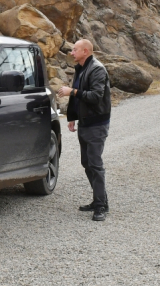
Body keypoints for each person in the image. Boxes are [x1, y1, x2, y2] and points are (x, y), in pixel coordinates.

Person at [57, 40, 111, 221]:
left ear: (85, 51)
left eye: (75, 49)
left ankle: (101, 206)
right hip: (85, 123)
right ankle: (99, 199)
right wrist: (72, 117)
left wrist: (72, 92)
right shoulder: (81, 68)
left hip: (97, 123)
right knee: (87, 163)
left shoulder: (97, 69)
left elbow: (95, 97)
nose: (72, 52)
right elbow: (78, 97)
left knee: (95, 164)